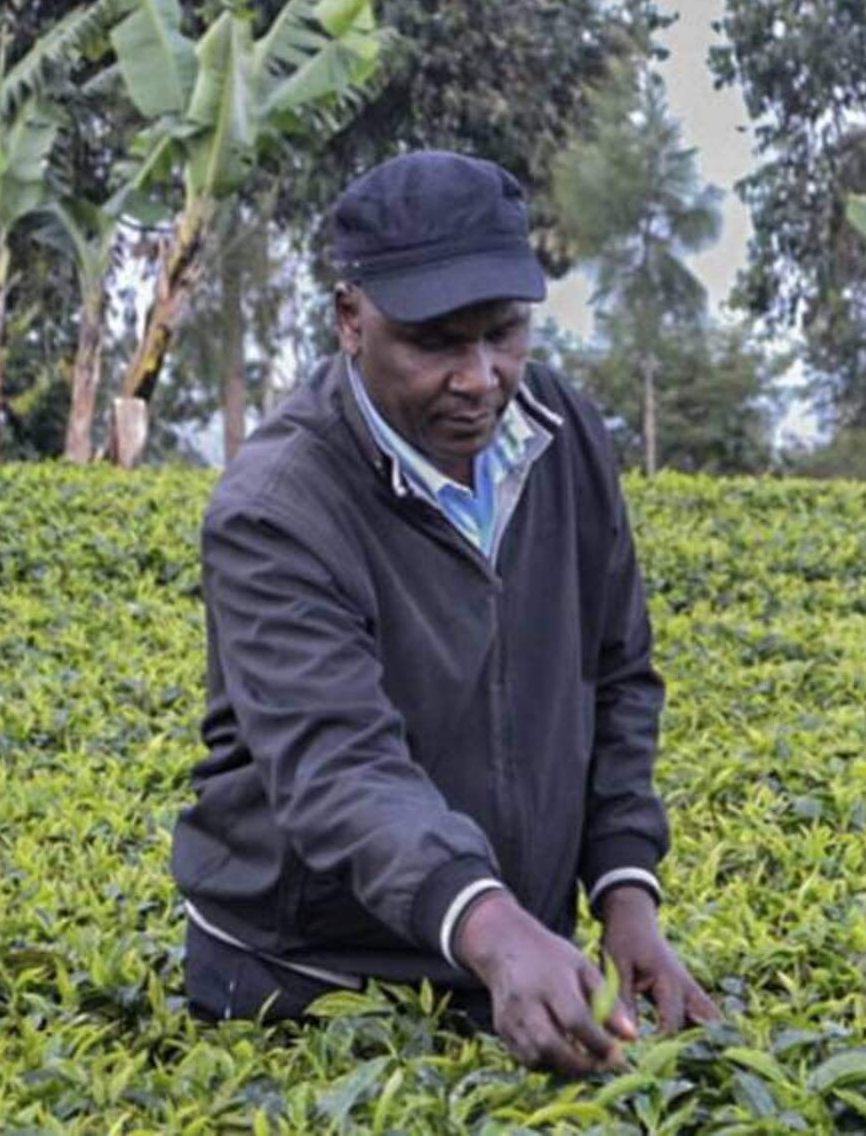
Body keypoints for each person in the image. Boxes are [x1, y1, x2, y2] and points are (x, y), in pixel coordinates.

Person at [171, 149, 716, 1073]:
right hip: (311, 986)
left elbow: (616, 674)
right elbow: (336, 763)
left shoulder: (562, 434)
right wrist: (491, 921)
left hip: (507, 963)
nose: (480, 379)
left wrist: (627, 892)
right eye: (435, 343)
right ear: (350, 319)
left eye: (504, 333)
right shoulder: (278, 508)